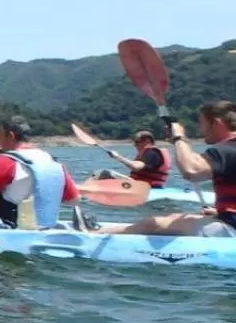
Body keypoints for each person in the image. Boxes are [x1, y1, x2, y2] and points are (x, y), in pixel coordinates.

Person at [100, 101, 236, 237]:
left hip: (232, 226)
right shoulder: (228, 151)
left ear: (217, 124)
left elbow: (192, 171)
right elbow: (197, 162)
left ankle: (91, 233)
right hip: (229, 218)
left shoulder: (226, 150)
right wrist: (221, 212)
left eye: (202, 124)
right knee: (174, 217)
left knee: (153, 224)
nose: (201, 130)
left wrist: (179, 137)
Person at [94, 130, 171, 187]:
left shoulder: (152, 153)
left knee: (105, 173)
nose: (135, 145)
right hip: (144, 185)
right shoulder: (151, 153)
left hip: (145, 187)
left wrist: (118, 157)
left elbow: (136, 167)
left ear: (147, 141)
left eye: (137, 142)